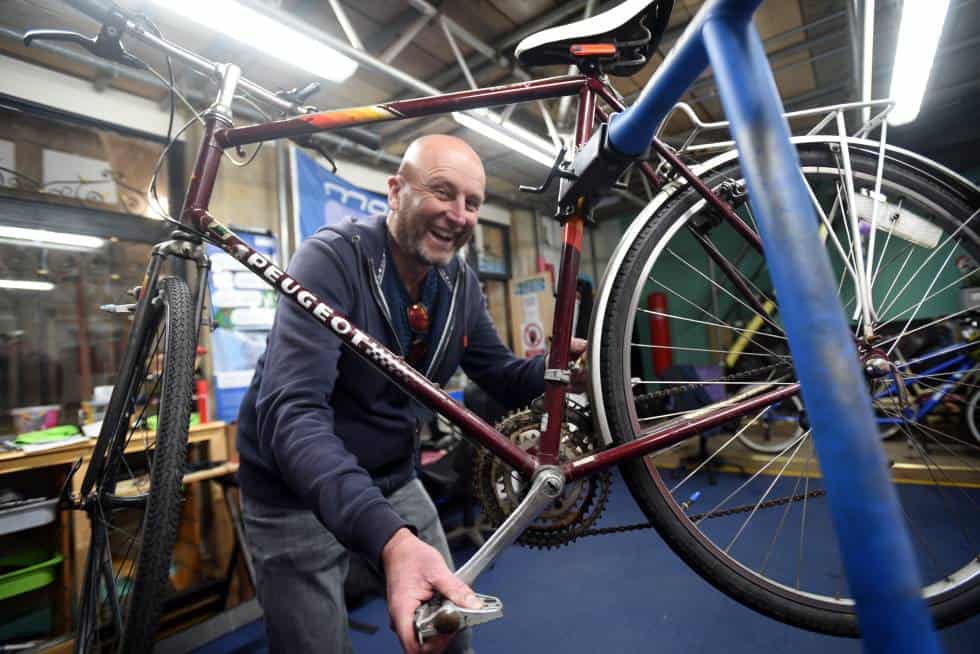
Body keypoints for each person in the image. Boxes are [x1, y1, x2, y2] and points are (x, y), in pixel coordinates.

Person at [236, 133, 586, 654]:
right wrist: (392, 539)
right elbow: (292, 413)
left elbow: (501, 373)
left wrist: (561, 370)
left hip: (393, 480)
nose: (460, 215)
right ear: (395, 191)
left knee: (449, 638)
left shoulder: (459, 282)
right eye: (443, 192)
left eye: (473, 203)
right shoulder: (330, 260)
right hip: (293, 494)